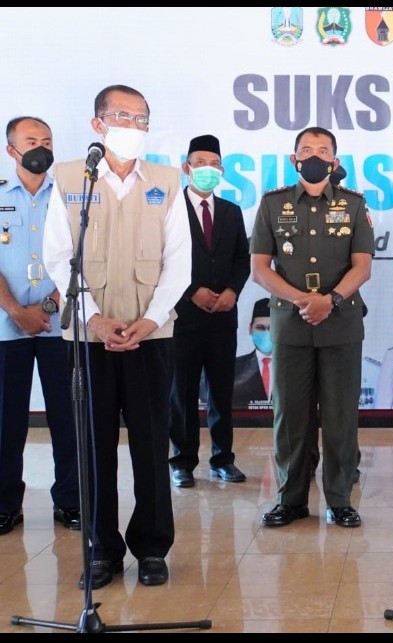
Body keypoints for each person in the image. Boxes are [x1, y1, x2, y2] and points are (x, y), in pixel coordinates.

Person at [43, 84, 192, 589]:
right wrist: (95, 320)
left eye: (142, 119)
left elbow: (179, 263)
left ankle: (152, 548)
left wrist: (149, 321)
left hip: (152, 336)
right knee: (93, 447)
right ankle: (101, 548)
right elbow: (58, 258)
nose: (134, 127)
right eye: (123, 117)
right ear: (98, 125)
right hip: (89, 339)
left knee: (152, 445)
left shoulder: (169, 182)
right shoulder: (67, 178)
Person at [250, 126, 374, 529]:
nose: (315, 156)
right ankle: (291, 499)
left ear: (335, 162)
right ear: (294, 159)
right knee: (291, 416)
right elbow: (259, 269)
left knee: (340, 416)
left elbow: (362, 266)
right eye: (307, 149)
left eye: (323, 150)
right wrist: (303, 300)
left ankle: (339, 499)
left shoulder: (354, 205)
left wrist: (330, 300)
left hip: (341, 324)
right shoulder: (273, 205)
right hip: (290, 325)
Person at [0, 116, 80, 535]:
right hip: (5, 325)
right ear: (12, 149)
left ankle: (70, 501)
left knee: (67, 417)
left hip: (58, 324)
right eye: (31, 140)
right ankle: (4, 504)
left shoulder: (69, 196)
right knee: (4, 420)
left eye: (47, 140)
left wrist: (49, 304)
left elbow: (79, 257)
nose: (41, 147)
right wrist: (15, 309)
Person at [168, 135, 250, 489]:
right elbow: (163, 259)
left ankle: (223, 459)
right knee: (182, 391)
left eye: (213, 164)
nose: (207, 170)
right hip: (184, 316)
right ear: (187, 168)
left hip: (223, 316)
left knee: (221, 391)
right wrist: (191, 292)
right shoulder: (170, 208)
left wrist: (232, 291)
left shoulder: (231, 211)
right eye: (199, 163)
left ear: (222, 170)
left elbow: (241, 259)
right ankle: (182, 461)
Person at [233, 297, 273, 407]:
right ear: (250, 329)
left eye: (272, 328)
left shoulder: (294, 366)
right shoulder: (235, 366)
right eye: (260, 328)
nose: (267, 333)